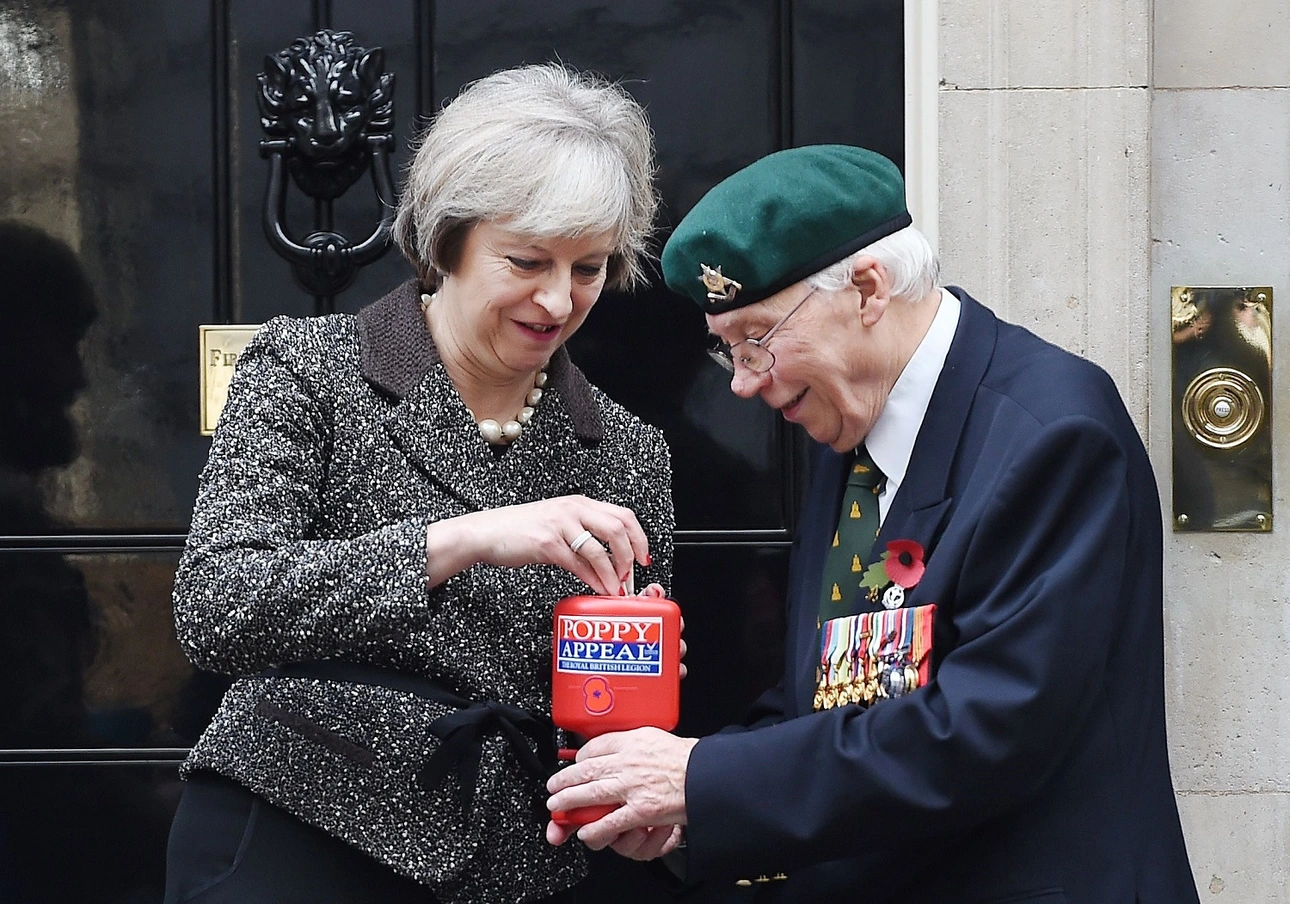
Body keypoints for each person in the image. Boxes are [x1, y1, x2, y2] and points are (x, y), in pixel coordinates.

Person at [545, 144, 1201, 903]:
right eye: (728, 353)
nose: (745, 385)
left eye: (757, 341)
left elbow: (985, 729)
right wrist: (684, 811)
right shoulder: (850, 425)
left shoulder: (1053, 434)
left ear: (866, 290)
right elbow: (826, 699)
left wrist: (700, 780)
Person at [166, 64, 674, 904]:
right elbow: (218, 607)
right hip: (300, 829)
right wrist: (465, 539)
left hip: (515, 866)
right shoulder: (308, 370)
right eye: (527, 260)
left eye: (588, 268)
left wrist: (634, 762)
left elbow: (612, 709)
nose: (558, 299)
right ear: (445, 242)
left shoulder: (627, 451)